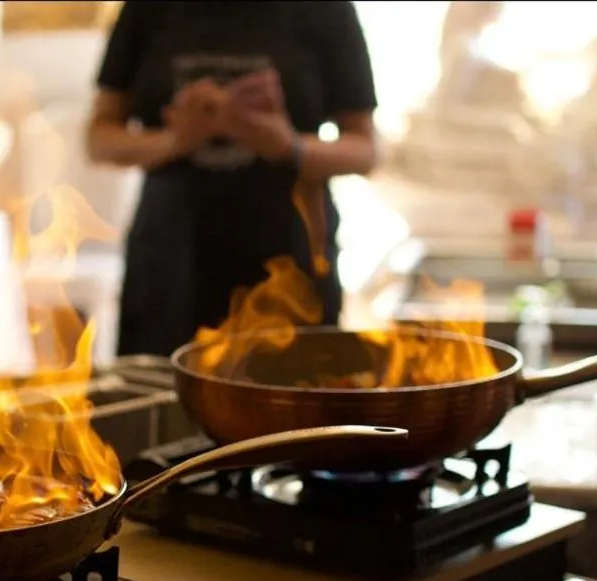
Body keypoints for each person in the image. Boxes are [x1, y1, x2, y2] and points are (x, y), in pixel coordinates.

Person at [86, 0, 379, 357]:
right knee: (163, 397)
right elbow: (98, 138)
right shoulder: (149, 8)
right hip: (171, 261)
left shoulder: (324, 10)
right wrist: (175, 140)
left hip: (288, 266)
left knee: (294, 398)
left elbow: (366, 150)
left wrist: (288, 146)